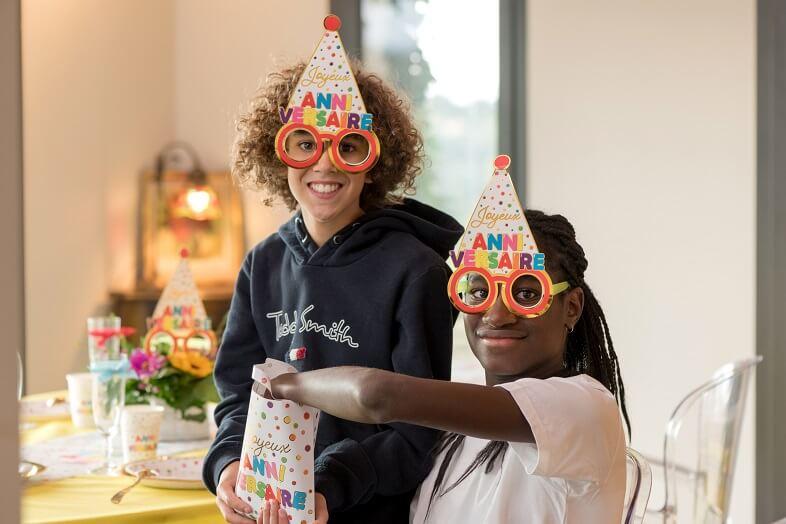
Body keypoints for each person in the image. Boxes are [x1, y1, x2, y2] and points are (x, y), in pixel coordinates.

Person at [260, 156, 630, 523]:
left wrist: (286, 385)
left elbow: (376, 395)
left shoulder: (585, 409)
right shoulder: (454, 428)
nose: (497, 315)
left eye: (526, 294)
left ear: (572, 307)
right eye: (478, 290)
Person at [203, 15, 463, 524]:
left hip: (367, 512)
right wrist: (230, 463)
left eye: (348, 145)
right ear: (279, 153)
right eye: (305, 143)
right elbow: (238, 392)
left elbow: (418, 429)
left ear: (374, 160)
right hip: (268, 511)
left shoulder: (415, 272)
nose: (325, 164)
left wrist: (329, 487)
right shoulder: (262, 265)